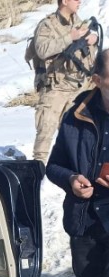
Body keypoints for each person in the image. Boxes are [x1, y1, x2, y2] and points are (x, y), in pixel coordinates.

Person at [45, 48, 109, 277]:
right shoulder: (76, 115)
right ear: (97, 81)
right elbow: (53, 165)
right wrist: (71, 179)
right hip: (85, 219)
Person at [31, 0, 98, 164]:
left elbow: (88, 59)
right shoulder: (47, 25)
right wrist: (69, 37)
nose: (79, 1)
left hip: (77, 88)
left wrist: (92, 41)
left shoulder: (80, 24)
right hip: (55, 87)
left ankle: (70, 170)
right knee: (45, 131)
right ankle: (37, 172)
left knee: (74, 133)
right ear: (65, 1)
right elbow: (42, 50)